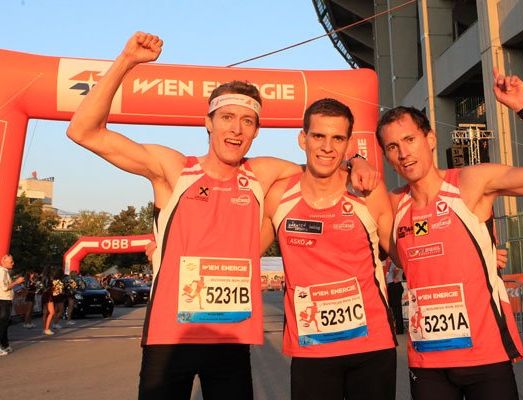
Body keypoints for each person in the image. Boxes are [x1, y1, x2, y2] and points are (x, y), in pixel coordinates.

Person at [67, 32, 377, 400]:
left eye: (247, 121)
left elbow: (323, 163)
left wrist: (354, 159)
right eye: (227, 117)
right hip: (170, 339)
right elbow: (82, 130)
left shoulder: (261, 174)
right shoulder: (173, 169)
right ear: (208, 122)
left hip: (231, 337)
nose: (236, 129)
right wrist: (126, 61)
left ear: (257, 131)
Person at [376, 106, 523, 400]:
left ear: (430, 139)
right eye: (393, 147)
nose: (404, 153)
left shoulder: (470, 183)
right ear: (386, 156)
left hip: (485, 357)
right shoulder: (394, 204)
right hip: (428, 363)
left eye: (410, 140)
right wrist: (354, 162)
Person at [261, 99, 397, 400]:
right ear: (302, 139)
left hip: (371, 345)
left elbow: (404, 253)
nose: (327, 147)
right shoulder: (279, 196)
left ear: (348, 145)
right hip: (312, 348)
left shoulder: (368, 192)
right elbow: (242, 251)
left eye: (337, 138)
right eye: (318, 136)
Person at [0, 254, 24, 355]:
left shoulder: (5, 272)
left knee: (5, 324)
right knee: (2, 324)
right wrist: (17, 282)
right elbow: (5, 287)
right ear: (3, 262)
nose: (13, 264)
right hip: (3, 300)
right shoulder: (2, 272)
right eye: (11, 262)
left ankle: (5, 345)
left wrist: (16, 288)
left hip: (6, 300)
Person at [386, 259, 404, 335]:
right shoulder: (394, 260)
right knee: (395, 308)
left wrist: (393, 277)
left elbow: (397, 270)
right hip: (394, 285)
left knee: (396, 309)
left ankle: (398, 329)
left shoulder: (394, 259)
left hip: (394, 285)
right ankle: (397, 328)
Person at [40, 266, 56, 336]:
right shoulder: (48, 278)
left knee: (45, 312)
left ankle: (45, 328)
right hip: (48, 295)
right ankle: (46, 329)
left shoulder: (43, 277)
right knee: (52, 312)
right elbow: (47, 287)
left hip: (45, 295)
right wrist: (53, 288)